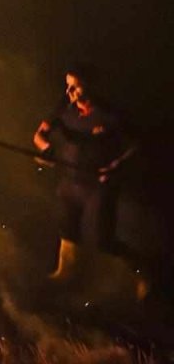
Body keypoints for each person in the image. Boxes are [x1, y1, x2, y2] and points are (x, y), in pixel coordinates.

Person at [32, 64, 141, 287]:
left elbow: (136, 144)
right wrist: (46, 149)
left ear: (91, 86)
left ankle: (143, 271)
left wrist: (116, 165)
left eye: (76, 86)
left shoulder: (110, 115)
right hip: (70, 181)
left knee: (104, 240)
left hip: (99, 185)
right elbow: (40, 134)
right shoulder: (64, 107)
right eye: (67, 85)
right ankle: (66, 273)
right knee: (67, 229)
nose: (69, 92)